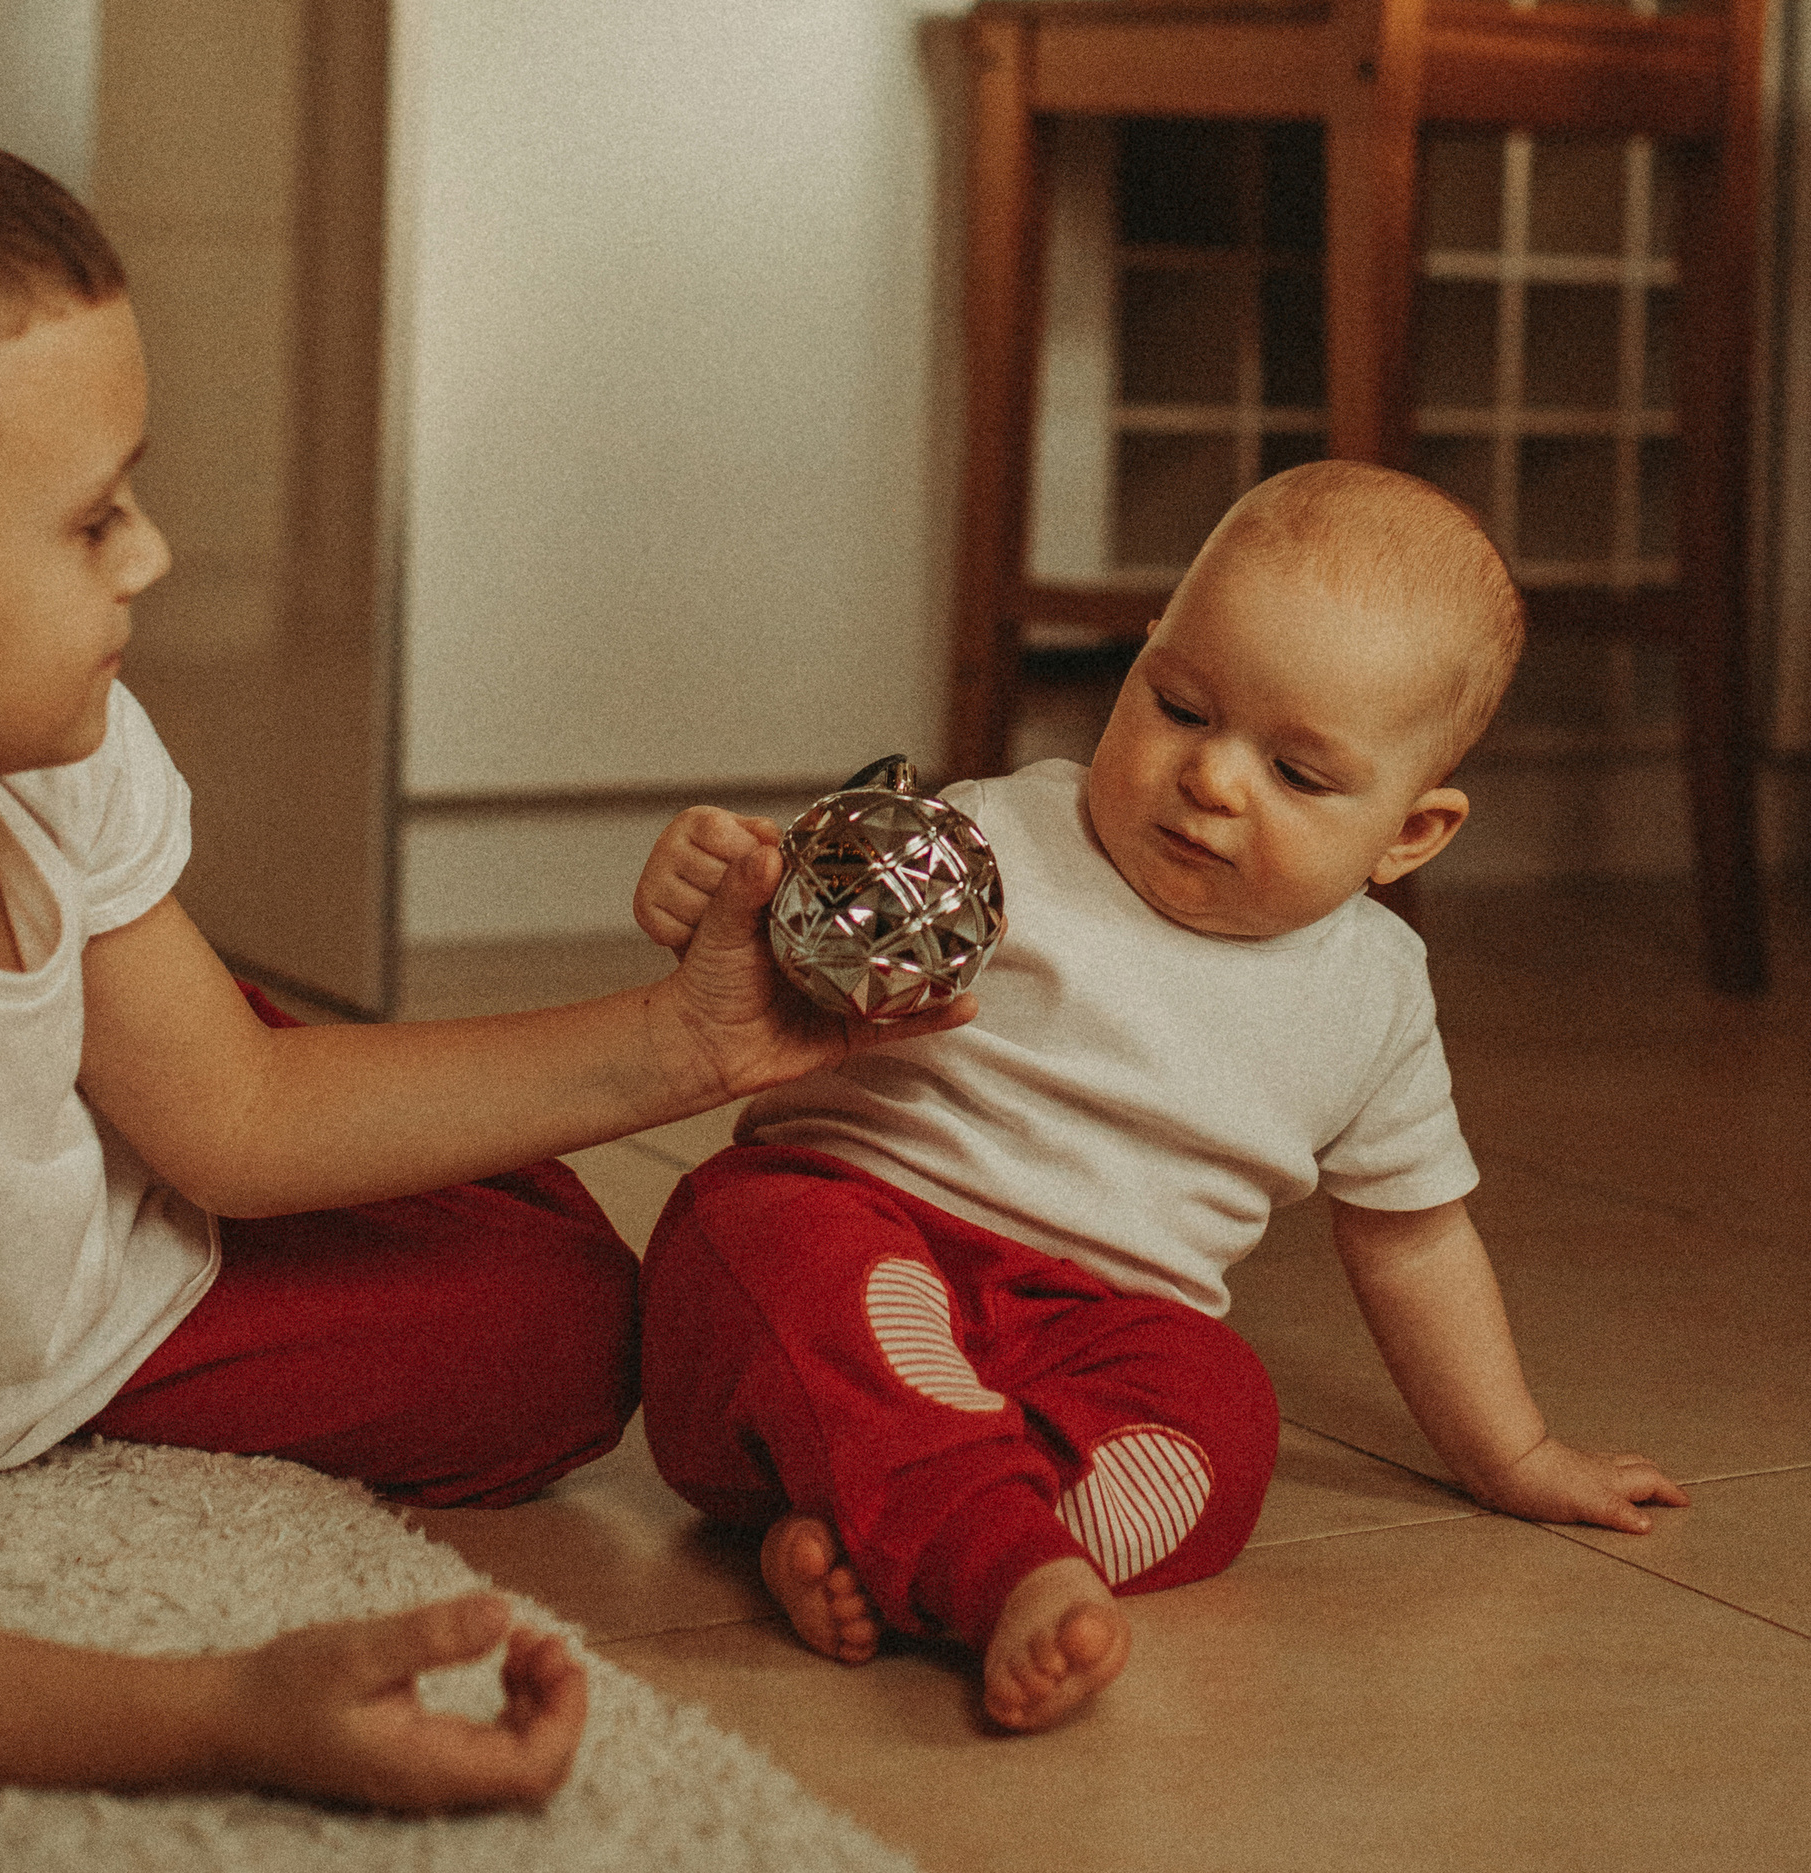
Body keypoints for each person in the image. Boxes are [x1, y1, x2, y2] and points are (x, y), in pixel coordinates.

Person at [0, 97, 962, 1813]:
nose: (153, 554)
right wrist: (225, 1713)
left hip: (81, 1190)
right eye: (93, 522)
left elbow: (230, 1111)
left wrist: (693, 1039)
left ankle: (108, 1093)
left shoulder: (19, 726)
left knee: (539, 1250)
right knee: (555, 1334)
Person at [632, 460, 1690, 1734]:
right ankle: (990, 1556)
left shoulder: (1374, 995)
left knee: (1220, 1417)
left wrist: (1509, 1452)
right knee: (776, 1239)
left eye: (1299, 775)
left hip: (1084, 1330)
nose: (1213, 778)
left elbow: (1412, 1241)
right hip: (859, 1235)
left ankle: (895, 1534)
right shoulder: (991, 838)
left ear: (1409, 835)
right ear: (1135, 663)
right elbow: (806, 948)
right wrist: (720, 899)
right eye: (1180, 706)